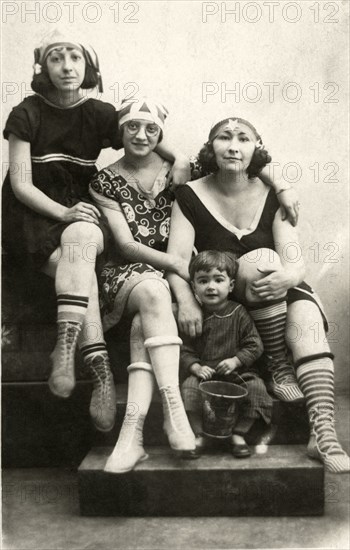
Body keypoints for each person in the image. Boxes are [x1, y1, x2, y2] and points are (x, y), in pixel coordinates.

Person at [2, 30, 188, 433]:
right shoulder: (26, 113)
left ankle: (68, 351)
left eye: (75, 58)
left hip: (80, 205)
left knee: (85, 238)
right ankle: (98, 368)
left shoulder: (101, 112)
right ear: (42, 66)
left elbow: (144, 132)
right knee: (81, 261)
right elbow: (21, 184)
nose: (67, 66)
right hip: (32, 214)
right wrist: (64, 213)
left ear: (89, 67)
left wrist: (178, 160)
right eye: (56, 58)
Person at [167, 117, 350, 473]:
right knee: (260, 260)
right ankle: (277, 365)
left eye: (243, 138)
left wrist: (288, 279)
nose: (233, 145)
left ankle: (323, 435)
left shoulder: (273, 195)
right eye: (224, 137)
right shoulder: (188, 197)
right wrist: (187, 300)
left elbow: (295, 265)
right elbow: (176, 261)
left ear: (256, 149)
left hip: (280, 291)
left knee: (308, 319)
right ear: (211, 148)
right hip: (229, 307)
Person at [89, 96, 197, 472]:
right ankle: (174, 410)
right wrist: (177, 264)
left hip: (168, 277)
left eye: (151, 128)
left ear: (161, 134)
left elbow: (243, 165)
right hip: (127, 273)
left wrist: (283, 187)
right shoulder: (105, 179)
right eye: (132, 126)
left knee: (143, 324)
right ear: (121, 130)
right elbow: (126, 245)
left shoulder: (180, 170)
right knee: (152, 291)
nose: (141, 134)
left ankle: (131, 436)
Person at [180, 250, 272, 458]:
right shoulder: (195, 315)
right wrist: (195, 367)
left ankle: (239, 434)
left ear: (230, 285)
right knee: (188, 388)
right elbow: (185, 349)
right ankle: (197, 435)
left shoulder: (239, 312)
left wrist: (235, 360)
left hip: (237, 374)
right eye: (203, 281)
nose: (211, 286)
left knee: (257, 388)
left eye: (218, 280)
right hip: (206, 374)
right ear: (194, 287)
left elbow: (254, 345)